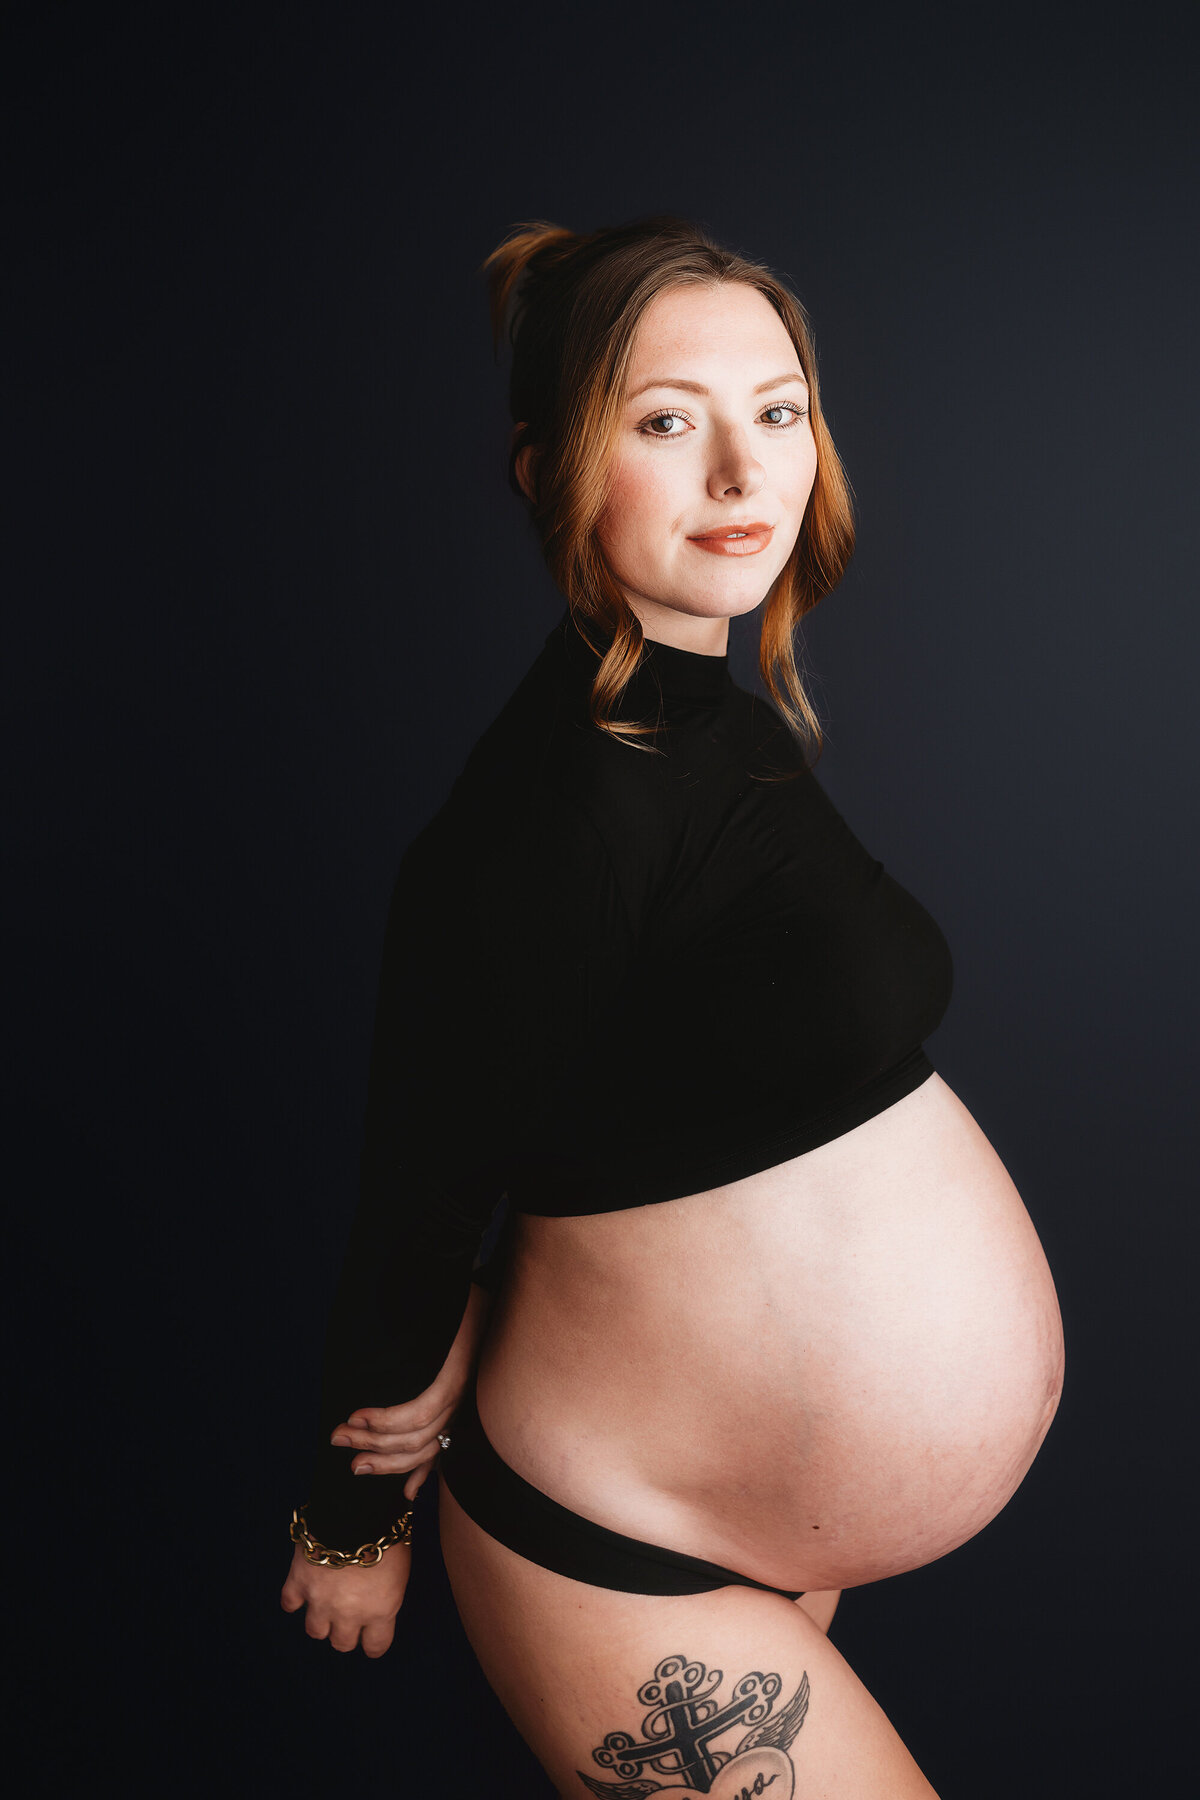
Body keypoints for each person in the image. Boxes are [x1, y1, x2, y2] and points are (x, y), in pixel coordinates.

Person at [280, 214, 1064, 1799]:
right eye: (661, 423)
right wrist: (352, 1526)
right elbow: (417, 1192)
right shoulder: (549, 810)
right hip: (620, 1549)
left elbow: (618, 1096)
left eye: (777, 410)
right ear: (545, 472)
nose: (740, 471)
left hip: (736, 1519)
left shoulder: (703, 720)